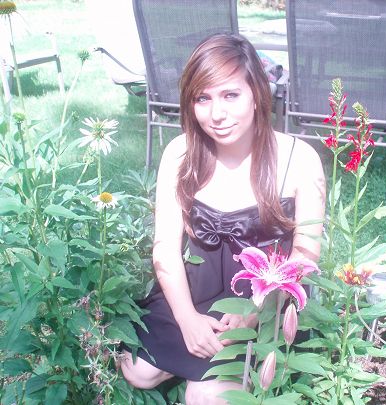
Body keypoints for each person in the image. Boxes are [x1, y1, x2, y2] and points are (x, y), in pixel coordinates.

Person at [120, 33, 325, 404]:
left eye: (231, 95)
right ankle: (195, 359)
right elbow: (165, 247)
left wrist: (253, 313)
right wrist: (187, 319)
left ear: (256, 93)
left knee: (204, 396)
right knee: (137, 370)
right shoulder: (181, 153)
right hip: (198, 289)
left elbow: (305, 255)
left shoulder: (299, 159)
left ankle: (216, 375)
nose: (216, 114)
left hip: (268, 301)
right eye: (203, 98)